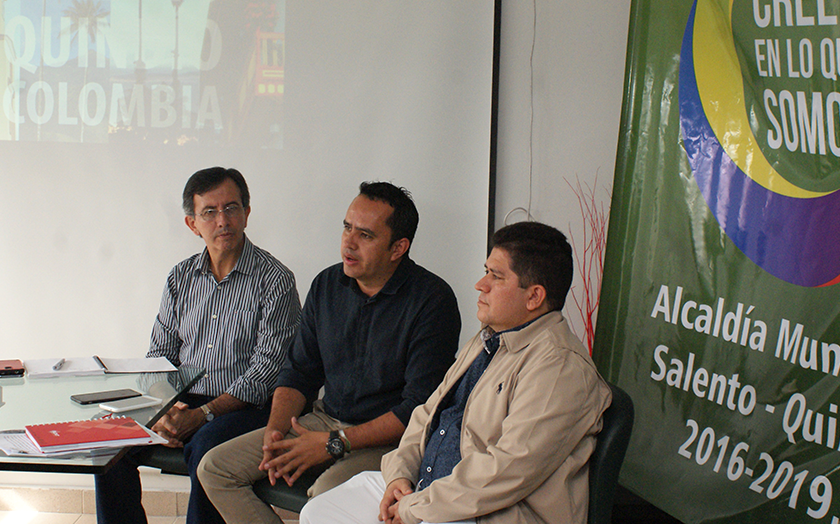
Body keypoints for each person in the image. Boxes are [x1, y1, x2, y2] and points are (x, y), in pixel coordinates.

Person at [298, 221, 612, 524]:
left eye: (496, 276)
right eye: (485, 271)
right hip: (432, 491)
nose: (481, 284)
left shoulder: (559, 368)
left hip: (490, 513)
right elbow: (426, 414)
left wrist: (416, 507)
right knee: (319, 513)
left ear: (534, 297)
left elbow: (504, 472)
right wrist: (399, 477)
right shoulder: (489, 338)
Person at [198, 181, 461, 524]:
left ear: (398, 247)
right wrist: (274, 433)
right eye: (347, 227)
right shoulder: (326, 284)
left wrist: (334, 443)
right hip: (325, 418)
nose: (348, 243)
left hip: (389, 438)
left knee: (325, 499)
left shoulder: (432, 301)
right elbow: (299, 371)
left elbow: (416, 409)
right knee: (215, 468)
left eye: (365, 235)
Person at [95, 167, 302, 524]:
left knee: (207, 447)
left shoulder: (275, 280)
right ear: (192, 224)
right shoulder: (180, 277)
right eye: (210, 212)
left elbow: (267, 372)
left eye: (232, 208)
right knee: (106, 436)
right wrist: (165, 413)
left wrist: (202, 416)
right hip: (181, 403)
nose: (223, 221)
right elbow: (158, 359)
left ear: (247, 214)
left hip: (246, 407)